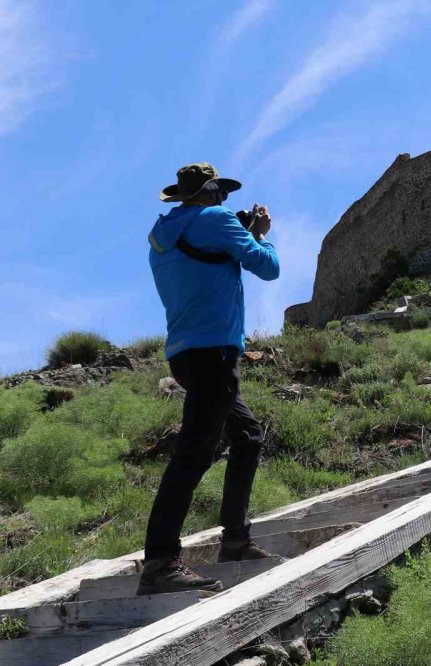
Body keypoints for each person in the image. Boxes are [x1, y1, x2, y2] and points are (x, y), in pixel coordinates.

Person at [138, 163, 280, 595]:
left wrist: (237, 234)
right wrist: (260, 234)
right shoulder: (216, 220)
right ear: (212, 192)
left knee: (248, 436)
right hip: (215, 352)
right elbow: (267, 267)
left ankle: (235, 540)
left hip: (185, 354)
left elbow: (203, 264)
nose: (225, 201)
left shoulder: (161, 237)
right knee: (194, 453)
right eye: (221, 193)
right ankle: (160, 561)